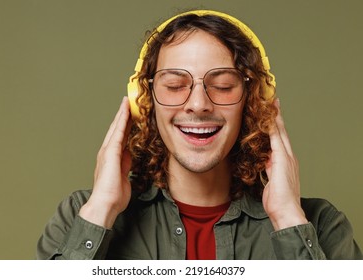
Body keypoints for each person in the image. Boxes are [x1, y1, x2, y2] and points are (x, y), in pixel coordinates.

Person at [36, 10, 362, 260]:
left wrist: (288, 219)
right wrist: (101, 210)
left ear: (253, 99)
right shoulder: (80, 215)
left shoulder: (320, 224)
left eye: (222, 86)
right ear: (144, 101)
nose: (198, 104)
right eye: (175, 85)